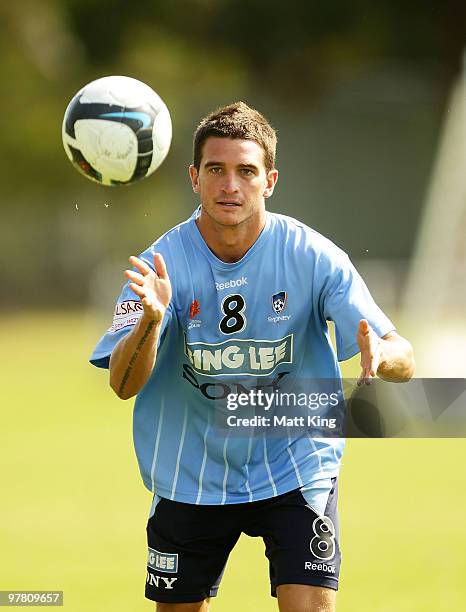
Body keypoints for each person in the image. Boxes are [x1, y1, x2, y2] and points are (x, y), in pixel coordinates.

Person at [90, 101, 415, 612]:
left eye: (246, 171)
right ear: (194, 177)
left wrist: (382, 354)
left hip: (295, 459)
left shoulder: (313, 255)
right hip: (190, 469)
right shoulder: (158, 265)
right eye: (216, 170)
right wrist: (151, 321)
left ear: (270, 180)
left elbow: (403, 353)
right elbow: (122, 383)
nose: (230, 186)